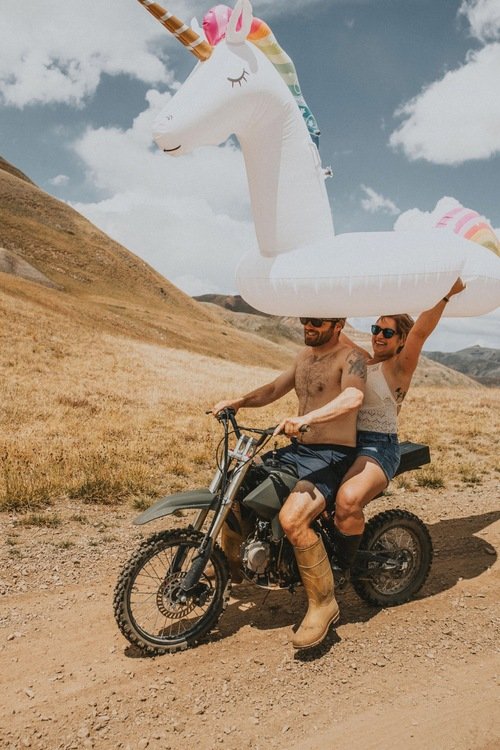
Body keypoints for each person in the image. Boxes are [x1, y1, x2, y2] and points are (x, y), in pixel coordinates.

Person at [211, 317, 367, 649]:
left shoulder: (351, 358)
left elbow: (353, 397)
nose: (308, 325)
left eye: (317, 321)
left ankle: (323, 604)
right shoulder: (304, 357)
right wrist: (238, 402)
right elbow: (273, 389)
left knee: (292, 519)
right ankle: (232, 563)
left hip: (333, 455)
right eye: (305, 319)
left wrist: (307, 418)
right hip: (300, 450)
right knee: (238, 483)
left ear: (338, 324)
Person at [332, 278, 466, 579]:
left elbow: (420, 332)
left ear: (401, 339)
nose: (378, 336)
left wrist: (445, 294)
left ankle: (342, 569)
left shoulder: (399, 367)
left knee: (347, 501)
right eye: (375, 329)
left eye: (388, 332)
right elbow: (335, 333)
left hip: (379, 446)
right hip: (346, 442)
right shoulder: (363, 360)